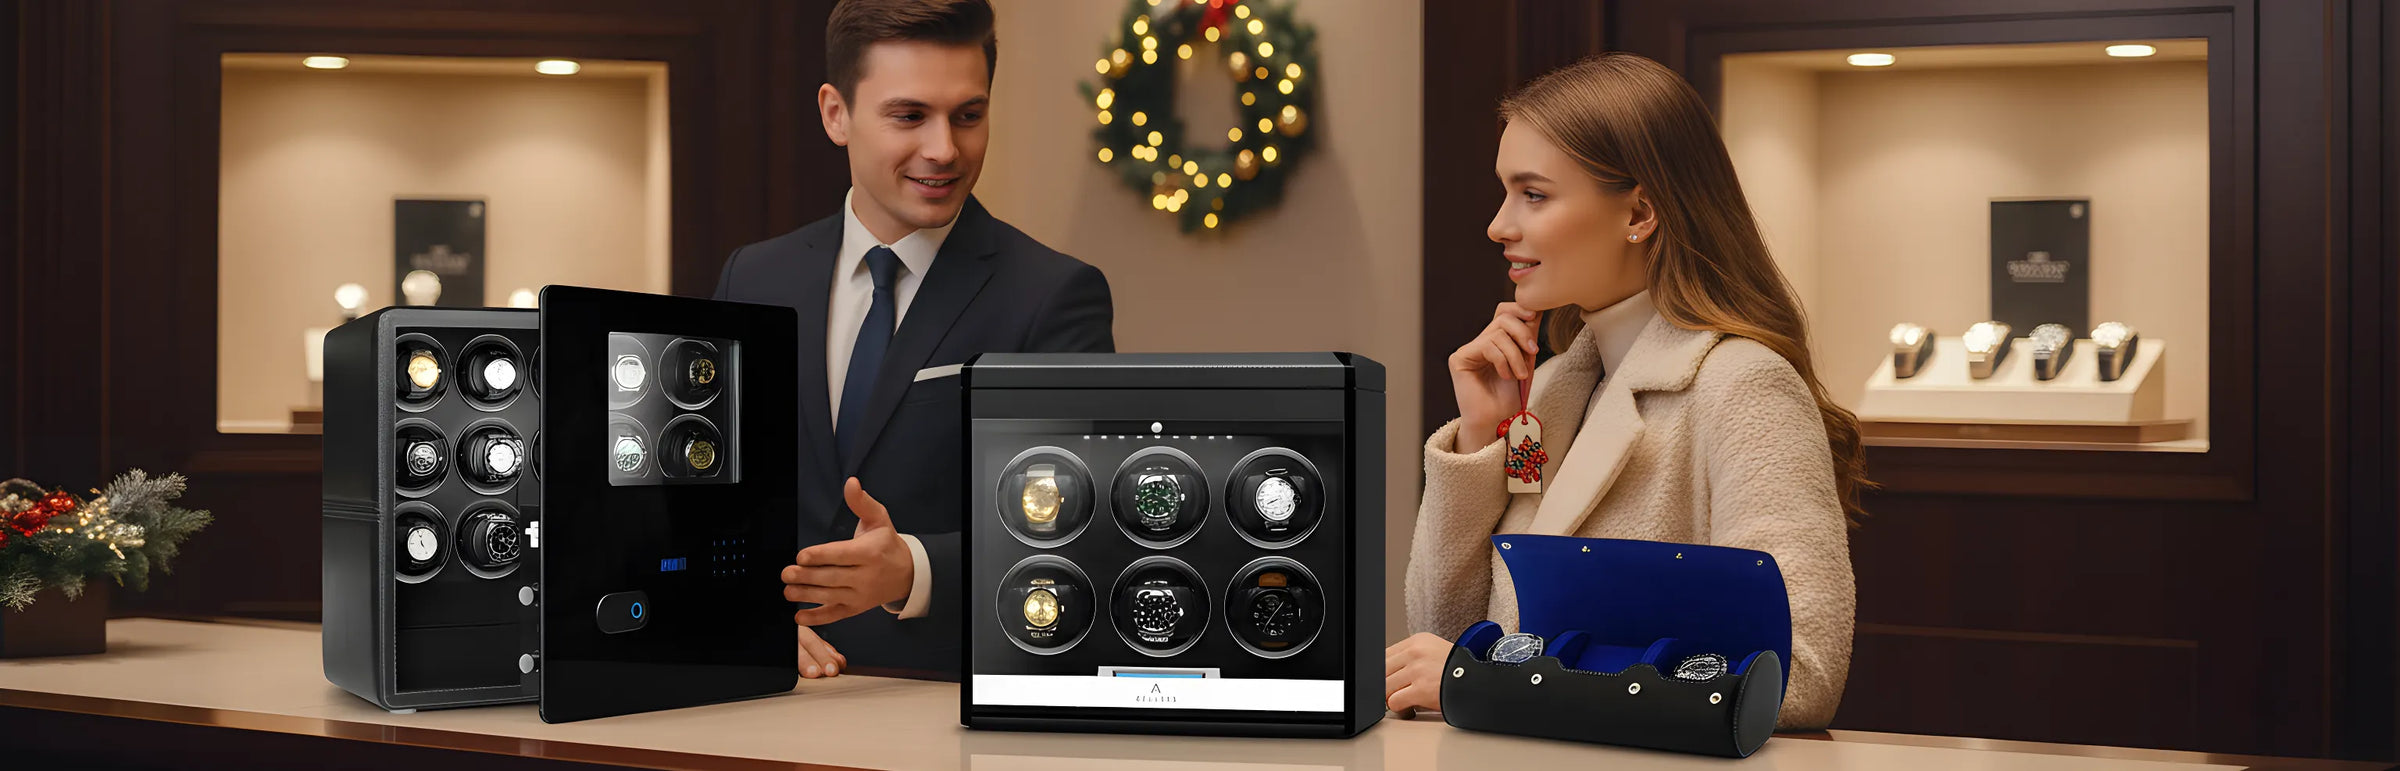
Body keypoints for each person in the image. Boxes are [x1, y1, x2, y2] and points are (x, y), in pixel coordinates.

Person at [1382, 52, 1861, 730]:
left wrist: (1489, 678)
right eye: (1505, 191)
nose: (1499, 225)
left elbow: (1798, 674)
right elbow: (1444, 638)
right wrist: (1481, 441)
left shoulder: (1744, 388)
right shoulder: (1543, 399)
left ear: (1638, 211)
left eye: (1534, 194)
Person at [713, 0, 1114, 679]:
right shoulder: (754, 276)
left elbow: (1082, 530)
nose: (945, 150)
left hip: (947, 704)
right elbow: (707, 500)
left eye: (968, 115)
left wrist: (914, 569)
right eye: (910, 116)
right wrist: (747, 610)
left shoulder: (1054, 296)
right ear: (835, 113)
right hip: (767, 695)